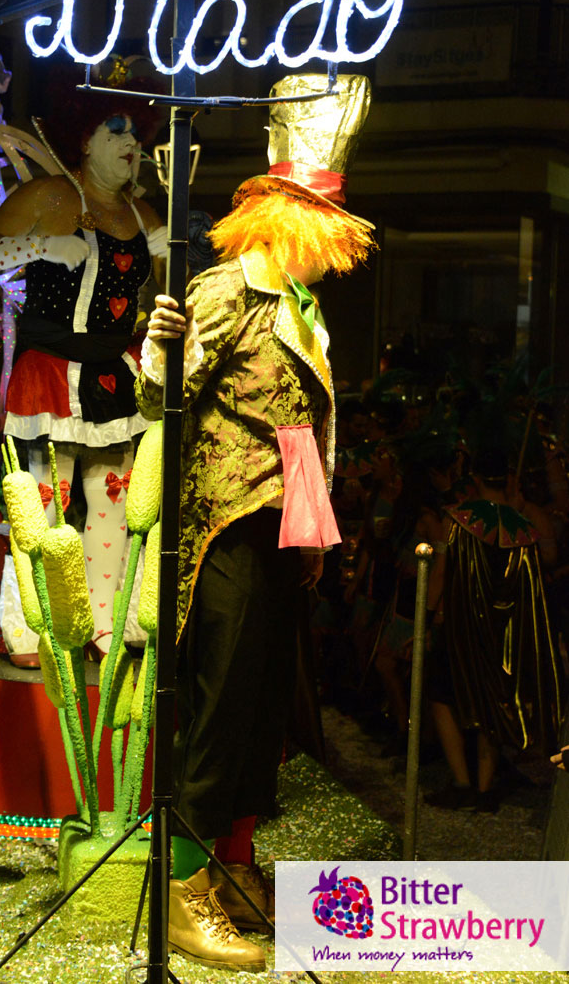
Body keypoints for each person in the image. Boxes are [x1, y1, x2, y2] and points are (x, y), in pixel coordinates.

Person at [137, 73, 376, 971]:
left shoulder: (303, 309)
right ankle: (183, 890)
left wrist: (312, 535)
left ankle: (233, 864)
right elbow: (159, 399)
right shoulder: (224, 290)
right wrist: (158, 346)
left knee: (262, 709)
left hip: (281, 530)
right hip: (227, 528)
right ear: (289, 222)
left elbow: (306, 429)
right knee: (220, 707)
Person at [0, 66, 166, 655]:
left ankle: (102, 624)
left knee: (113, 502)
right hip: (50, 372)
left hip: (115, 374)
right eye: (116, 130)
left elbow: (169, 290)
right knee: (41, 508)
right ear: (84, 138)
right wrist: (39, 245)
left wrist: (175, 252)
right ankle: (26, 626)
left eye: (137, 133)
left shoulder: (144, 214)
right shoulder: (52, 196)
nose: (131, 144)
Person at [425, 442, 562, 812]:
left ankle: (462, 781)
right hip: (505, 632)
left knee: (441, 697)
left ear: (474, 477)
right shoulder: (523, 528)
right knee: (492, 701)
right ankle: (485, 789)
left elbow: (440, 574)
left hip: (461, 629)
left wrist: (426, 616)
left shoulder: (457, 519)